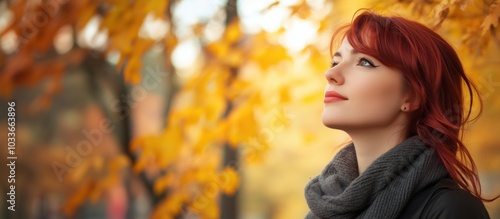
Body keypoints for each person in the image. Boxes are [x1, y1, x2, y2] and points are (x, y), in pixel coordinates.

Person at [304, 10, 497, 219]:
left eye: (365, 62)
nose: (330, 74)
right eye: (335, 62)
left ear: (412, 96)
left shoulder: (451, 209)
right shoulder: (323, 208)